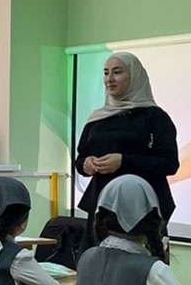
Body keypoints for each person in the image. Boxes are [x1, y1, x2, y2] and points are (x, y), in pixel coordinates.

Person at [74, 52, 179, 252]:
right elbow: (80, 160)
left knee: (141, 264)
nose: (109, 79)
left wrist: (124, 161)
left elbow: (169, 163)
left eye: (117, 72)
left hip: (142, 208)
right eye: (106, 73)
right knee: (98, 262)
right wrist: (86, 164)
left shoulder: (154, 117)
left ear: (134, 76)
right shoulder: (97, 118)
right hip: (103, 208)